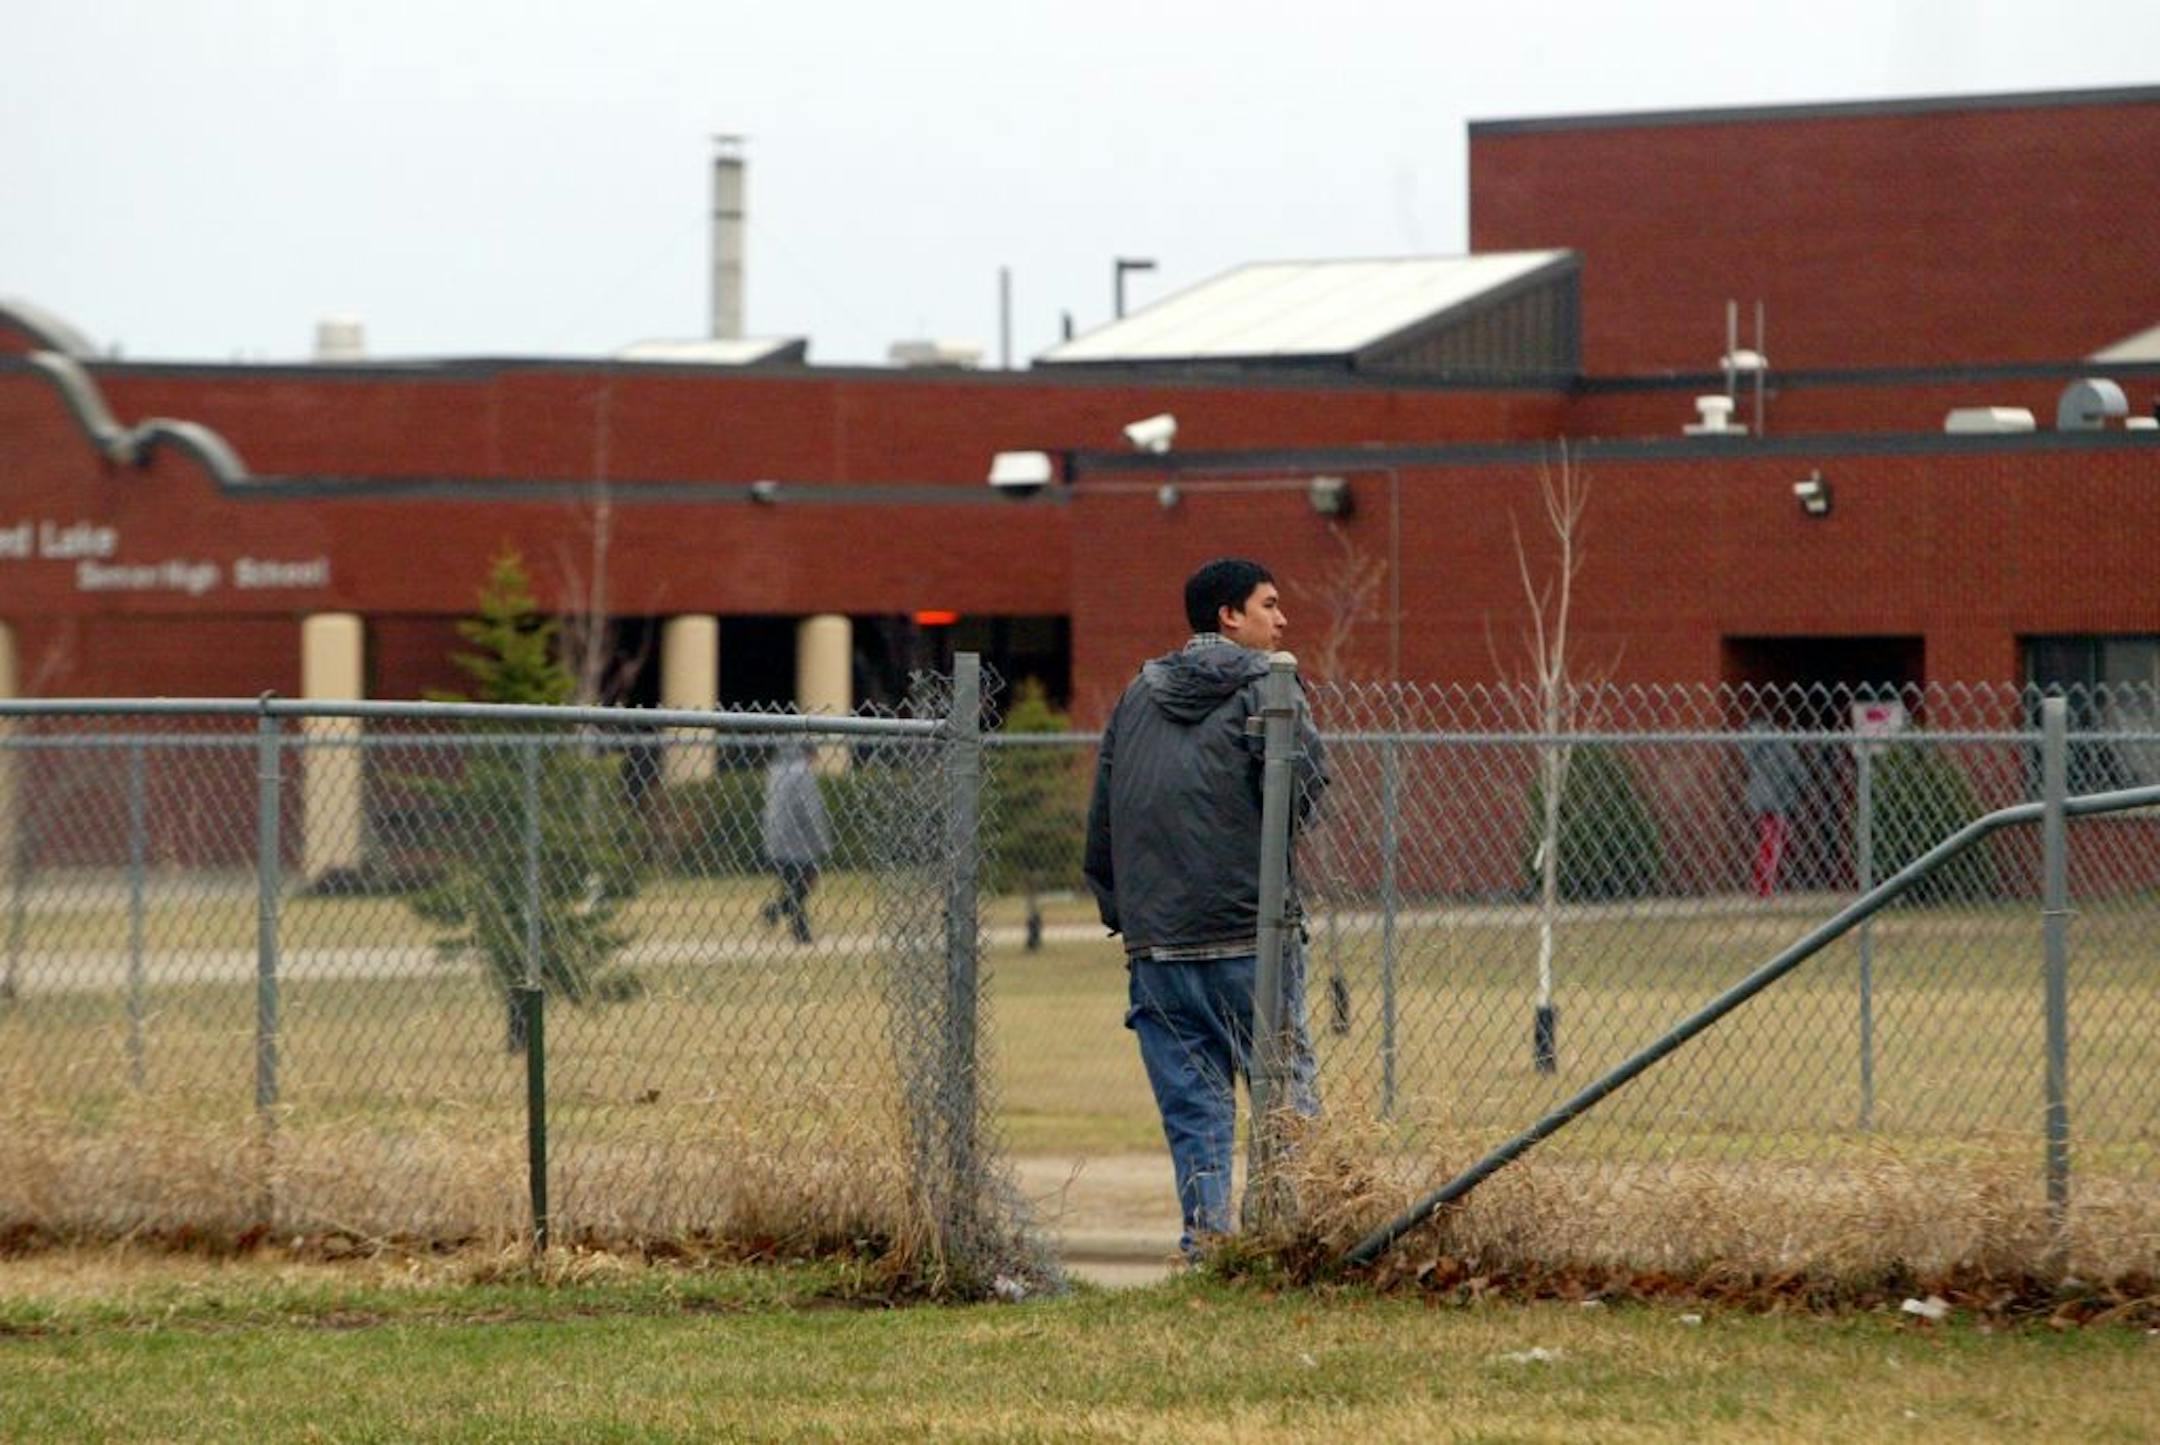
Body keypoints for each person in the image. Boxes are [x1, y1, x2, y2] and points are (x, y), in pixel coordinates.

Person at [1083, 558, 1328, 1256]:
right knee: (1282, 1094)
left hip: (1157, 947)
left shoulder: (1135, 696)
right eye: (1269, 605)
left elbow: (1103, 817)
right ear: (1230, 616)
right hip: (1249, 934)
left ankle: (1210, 1244)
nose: (1282, 620)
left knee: (1196, 1109)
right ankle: (1288, 1240)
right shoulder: (1269, 685)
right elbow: (1305, 788)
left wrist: (1127, 916)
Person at [759, 739, 833, 944]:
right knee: (803, 884)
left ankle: (787, 920)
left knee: (793, 885)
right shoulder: (802, 773)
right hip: (798, 842)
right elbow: (810, 810)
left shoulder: (777, 771)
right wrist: (821, 841)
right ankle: (790, 923)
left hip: (776, 839)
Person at [1742, 715, 1804, 898]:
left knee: (1767, 841)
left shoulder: (1752, 745)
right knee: (1774, 843)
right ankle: (1766, 887)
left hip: (1760, 797)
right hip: (1778, 797)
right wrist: (1801, 784)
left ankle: (1761, 884)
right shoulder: (1779, 743)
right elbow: (1796, 769)